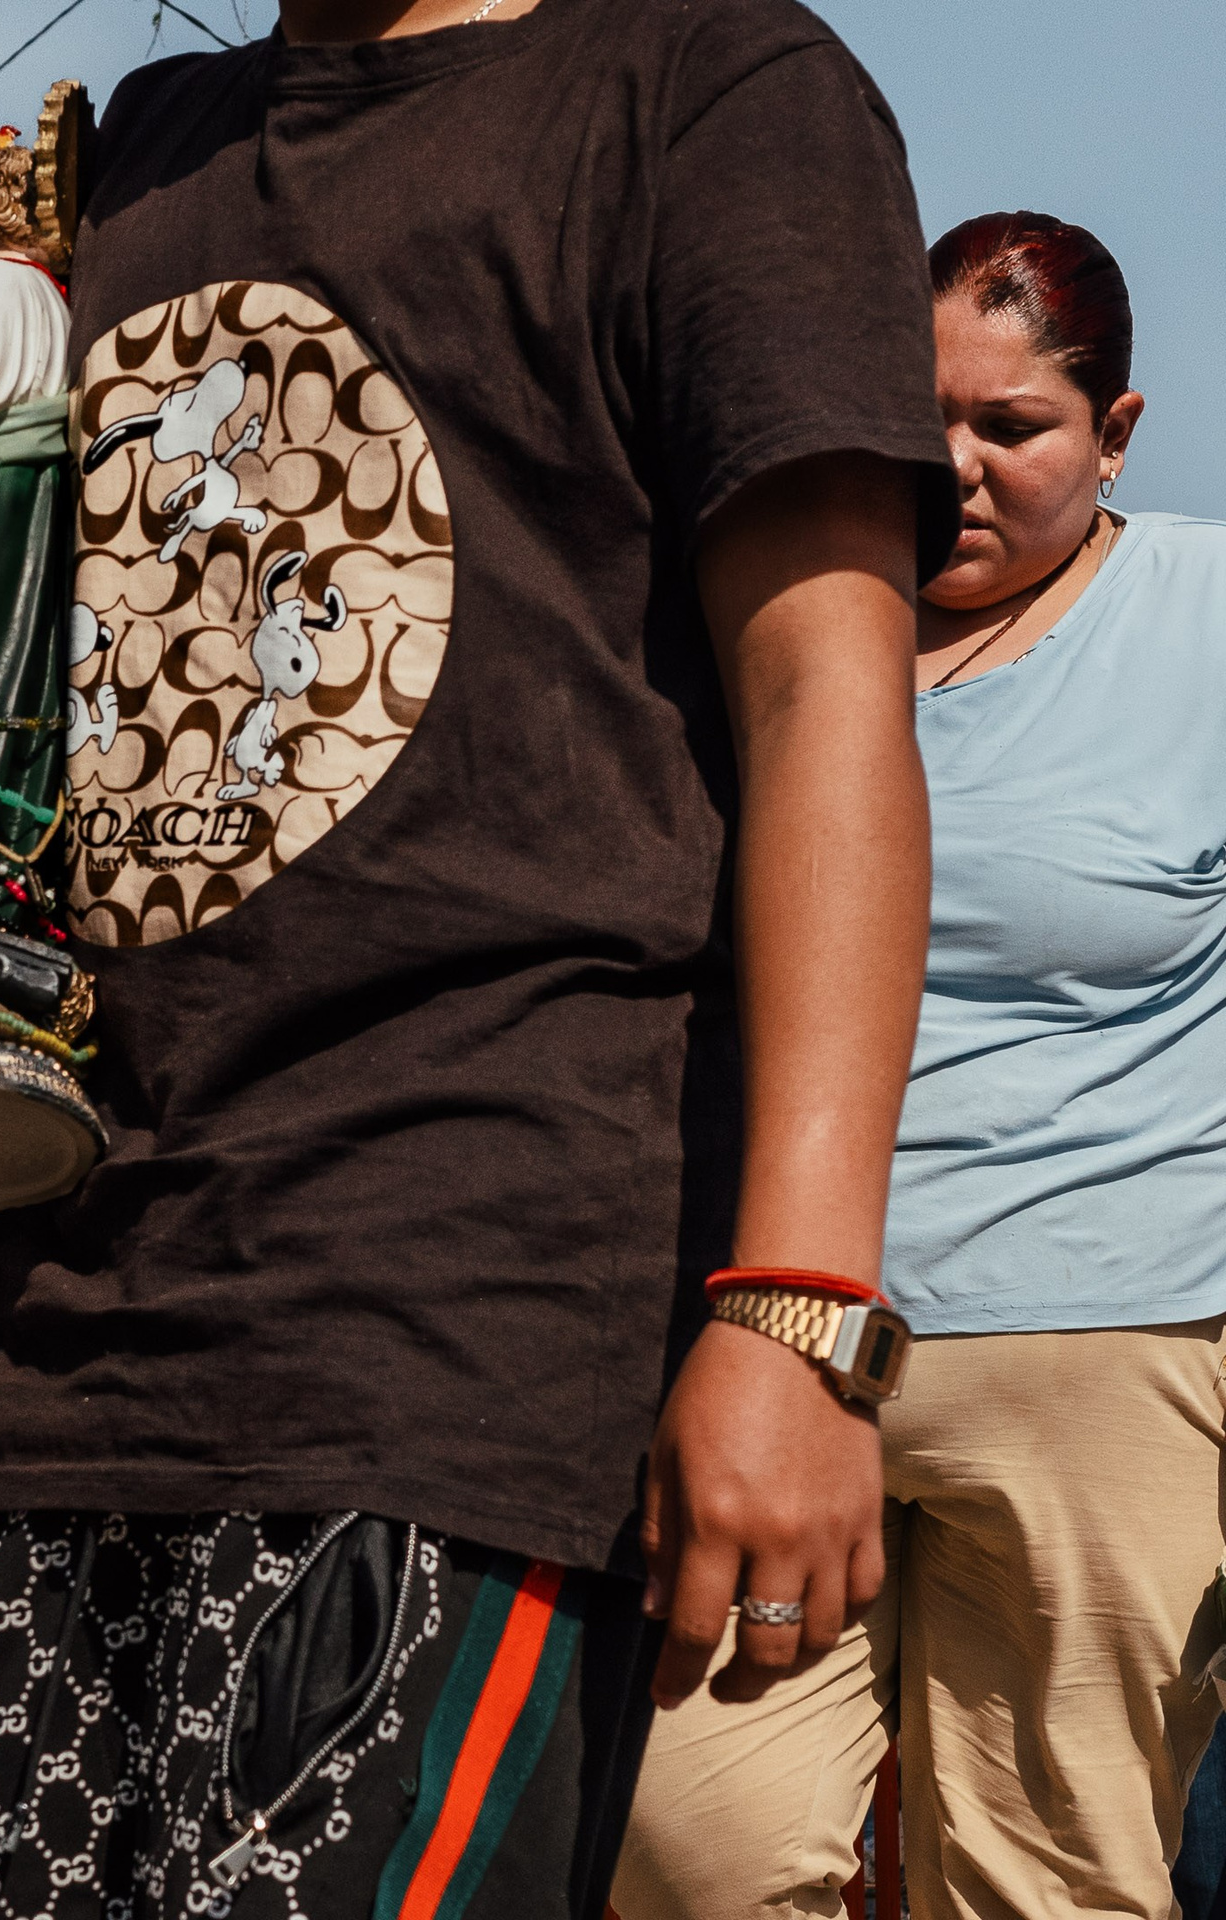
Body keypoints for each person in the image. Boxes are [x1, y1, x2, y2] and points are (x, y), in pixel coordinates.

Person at [0, 0, 959, 1911]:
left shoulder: (715, 93)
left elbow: (828, 701)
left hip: (457, 1335)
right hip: (52, 1359)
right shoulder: (122, 156)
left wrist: (796, 1305)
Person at [614, 213, 1226, 1920]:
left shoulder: (1206, 619)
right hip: (775, 1355)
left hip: (1113, 1369)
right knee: (690, 1855)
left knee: (1050, 1890)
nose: (952, 466)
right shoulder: (780, 625)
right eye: (916, 412)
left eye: (1012, 427)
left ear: (1115, 434)